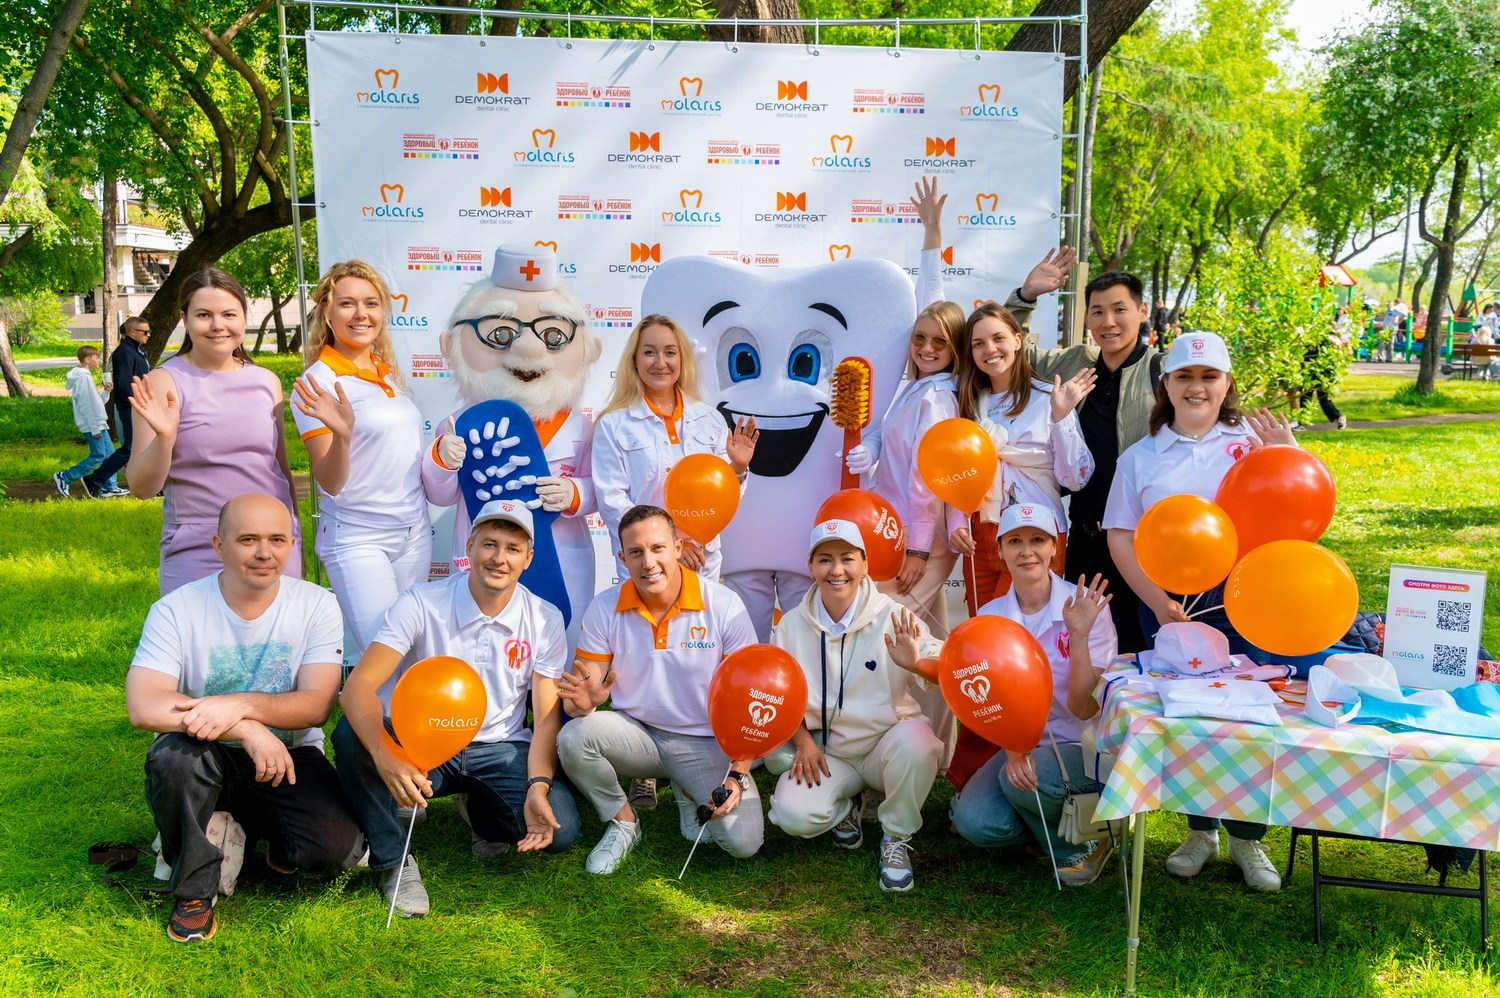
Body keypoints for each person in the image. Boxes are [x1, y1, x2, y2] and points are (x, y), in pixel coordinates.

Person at [1103, 330, 1295, 891]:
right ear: (1166, 384)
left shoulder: (1253, 443)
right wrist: (1159, 605)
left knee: (1249, 713)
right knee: (1189, 714)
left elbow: (1294, 508)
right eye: (1185, 376)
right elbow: (1120, 537)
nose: (1197, 387)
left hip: (1244, 600)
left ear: (1227, 383)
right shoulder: (1142, 456)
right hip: (1169, 603)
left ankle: (1248, 838)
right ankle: (1200, 829)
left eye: (1209, 377)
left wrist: (1290, 452)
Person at [124, 494, 364, 942]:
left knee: (336, 851)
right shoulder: (177, 609)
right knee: (172, 759)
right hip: (204, 751)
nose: (263, 553)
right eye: (247, 539)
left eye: (276, 539)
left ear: (293, 543)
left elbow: (315, 705)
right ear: (219, 545)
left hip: (289, 754)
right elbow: (145, 705)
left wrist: (238, 704)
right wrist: (246, 727)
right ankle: (195, 888)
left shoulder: (317, 605)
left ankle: (234, 828)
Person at [334, 499, 581, 917]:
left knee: (560, 830)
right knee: (350, 735)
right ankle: (395, 862)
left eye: (512, 548)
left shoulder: (544, 618)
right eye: (489, 544)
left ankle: (480, 811)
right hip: (424, 744)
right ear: (469, 545)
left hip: (501, 747)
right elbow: (355, 688)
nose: (499, 558)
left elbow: (544, 721)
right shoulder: (422, 601)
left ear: (528, 558)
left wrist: (538, 785)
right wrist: (385, 753)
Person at [555, 505, 763, 874]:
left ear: (678, 548)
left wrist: (737, 773)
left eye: (657, 548)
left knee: (743, 844)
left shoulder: (724, 604)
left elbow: (750, 698)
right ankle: (623, 822)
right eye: (636, 552)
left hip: (705, 740)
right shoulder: (605, 607)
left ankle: (687, 792)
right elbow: (583, 695)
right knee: (574, 736)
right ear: (622, 558)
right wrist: (583, 705)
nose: (648, 562)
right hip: (638, 735)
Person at [425, 244, 600, 650]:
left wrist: (576, 493)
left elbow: (602, 489)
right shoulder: (460, 423)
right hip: (486, 556)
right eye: (500, 333)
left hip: (561, 553)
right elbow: (440, 494)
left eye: (554, 335)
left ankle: (554, 712)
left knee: (560, 639)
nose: (526, 348)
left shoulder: (581, 426)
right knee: (485, 644)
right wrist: (442, 460)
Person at [766, 519, 945, 892]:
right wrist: (802, 741)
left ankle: (895, 836)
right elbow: (776, 697)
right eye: (825, 560)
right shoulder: (790, 626)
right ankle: (846, 808)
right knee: (791, 814)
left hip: (885, 748)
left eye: (847, 558)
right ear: (811, 567)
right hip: (830, 754)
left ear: (864, 564)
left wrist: (914, 663)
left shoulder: (893, 614)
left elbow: (946, 666)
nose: (837, 570)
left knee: (921, 743)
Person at [949, 504, 1118, 886]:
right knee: (975, 822)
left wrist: (1078, 635)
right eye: (1015, 541)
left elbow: (1084, 706)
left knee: (1023, 782)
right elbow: (984, 701)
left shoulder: (1087, 609)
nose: (1027, 551)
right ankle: (1064, 826)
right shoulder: (989, 618)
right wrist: (1013, 748)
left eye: (1037, 540)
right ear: (1000, 552)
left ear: (1055, 548)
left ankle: (1085, 849)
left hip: (1080, 745)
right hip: (1018, 747)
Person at [127, 268, 302, 595]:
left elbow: (279, 469)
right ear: (184, 319)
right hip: (198, 545)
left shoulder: (267, 382)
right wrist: (165, 438)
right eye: (204, 315)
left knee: (279, 645)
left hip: (272, 544)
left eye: (229, 314)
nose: (218, 325)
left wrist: (293, 537)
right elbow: (140, 486)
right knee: (200, 645)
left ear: (243, 318)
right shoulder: (163, 383)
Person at [292, 260, 432, 654]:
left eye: (371, 303)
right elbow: (330, 483)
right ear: (326, 312)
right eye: (347, 303)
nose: (361, 314)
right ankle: (365, 718)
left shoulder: (385, 372)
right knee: (383, 656)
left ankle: (401, 718)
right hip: (359, 537)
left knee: (413, 651)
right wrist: (343, 436)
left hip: (413, 532)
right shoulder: (316, 383)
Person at [1027, 271, 1168, 655]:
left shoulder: (1163, 373)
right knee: (1087, 649)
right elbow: (1009, 352)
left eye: (1119, 310)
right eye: (1097, 312)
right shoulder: (1077, 363)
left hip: (1141, 542)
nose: (1108, 322)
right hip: (1086, 537)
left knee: (1141, 648)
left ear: (1141, 312)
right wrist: (1026, 296)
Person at [946, 302, 1095, 616]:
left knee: (1021, 632)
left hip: (1035, 531)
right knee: (983, 628)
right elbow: (958, 471)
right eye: (978, 343)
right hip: (982, 531)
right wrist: (956, 519)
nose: (990, 349)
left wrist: (1060, 417)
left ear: (1017, 340)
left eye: (998, 338)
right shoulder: (968, 404)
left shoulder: (1048, 398)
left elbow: (1076, 478)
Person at [589, 314, 758, 584]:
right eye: (649, 352)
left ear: (682, 359)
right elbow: (612, 502)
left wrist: (737, 469)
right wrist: (668, 546)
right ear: (634, 359)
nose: (660, 363)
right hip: (644, 564)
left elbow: (723, 495)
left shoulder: (709, 418)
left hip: (701, 560)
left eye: (670, 352)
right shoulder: (614, 424)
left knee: (698, 627)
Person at [83, 316, 151, 495]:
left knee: (140, 446)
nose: (148, 335)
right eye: (145, 332)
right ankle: (95, 479)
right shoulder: (125, 352)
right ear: (131, 332)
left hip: (138, 406)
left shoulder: (136, 351)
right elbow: (124, 382)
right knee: (130, 448)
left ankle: (148, 484)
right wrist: (136, 403)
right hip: (131, 406)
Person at [54, 345, 126, 498]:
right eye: (97, 358)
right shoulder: (83, 378)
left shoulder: (86, 377)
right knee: (98, 455)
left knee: (110, 455)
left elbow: (96, 403)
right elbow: (86, 406)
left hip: (99, 423)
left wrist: (106, 391)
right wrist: (94, 428)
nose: (99, 361)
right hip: (93, 425)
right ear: (87, 359)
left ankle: (109, 486)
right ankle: (65, 477)